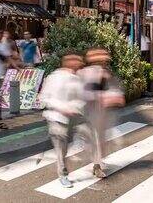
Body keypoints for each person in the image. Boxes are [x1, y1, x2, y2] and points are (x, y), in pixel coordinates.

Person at [40, 53, 85, 188]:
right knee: (61, 148)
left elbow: (81, 98)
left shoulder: (76, 79)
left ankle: (62, 169)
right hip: (55, 117)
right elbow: (44, 97)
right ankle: (63, 174)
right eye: (75, 62)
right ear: (68, 63)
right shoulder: (54, 77)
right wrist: (62, 107)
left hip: (70, 119)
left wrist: (75, 108)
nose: (78, 65)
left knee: (64, 148)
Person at [78, 48, 124, 179]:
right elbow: (82, 92)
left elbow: (114, 88)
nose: (104, 62)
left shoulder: (105, 73)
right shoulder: (87, 73)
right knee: (96, 140)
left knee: (100, 140)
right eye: (102, 60)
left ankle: (96, 162)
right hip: (91, 111)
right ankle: (96, 166)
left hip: (101, 112)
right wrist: (100, 96)